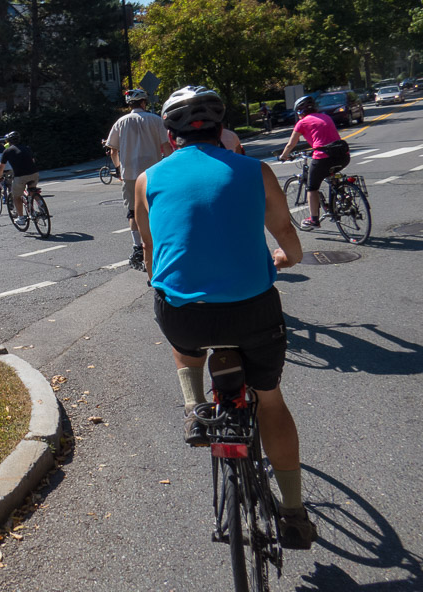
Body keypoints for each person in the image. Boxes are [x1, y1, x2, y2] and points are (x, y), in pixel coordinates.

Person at [133, 85, 316, 550]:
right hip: (253, 309)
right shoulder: (257, 171)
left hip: (187, 316)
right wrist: (289, 258)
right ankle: (293, 513)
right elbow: (283, 230)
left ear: (170, 137)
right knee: (270, 401)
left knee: (175, 319)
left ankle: (195, 409)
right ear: (222, 130)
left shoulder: (147, 180)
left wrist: (166, 281)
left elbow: (152, 253)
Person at [105, 88, 173, 271]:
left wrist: (119, 169)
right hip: (154, 173)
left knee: (133, 211)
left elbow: (113, 150)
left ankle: (137, 248)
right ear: (144, 102)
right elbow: (166, 146)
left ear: (130, 105)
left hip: (130, 174)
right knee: (157, 207)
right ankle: (159, 243)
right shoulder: (155, 120)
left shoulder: (120, 122)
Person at [279, 95, 350, 229]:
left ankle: (314, 220)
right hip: (343, 155)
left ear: (300, 111)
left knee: (312, 187)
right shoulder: (325, 116)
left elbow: (290, 145)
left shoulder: (302, 123)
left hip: (323, 157)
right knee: (331, 174)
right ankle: (341, 198)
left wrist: (283, 156)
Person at [0, 131, 37, 227]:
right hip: (34, 174)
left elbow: (1, 167)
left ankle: (21, 218)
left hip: (20, 176)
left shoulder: (7, 151)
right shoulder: (27, 148)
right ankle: (36, 208)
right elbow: (33, 160)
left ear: (8, 141)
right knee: (32, 191)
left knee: (16, 196)